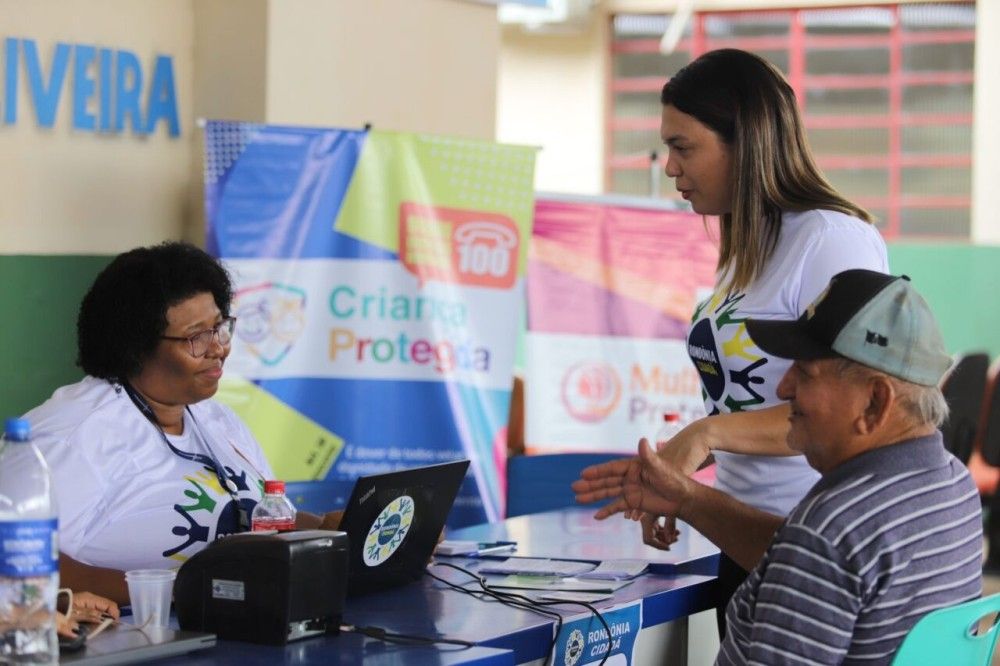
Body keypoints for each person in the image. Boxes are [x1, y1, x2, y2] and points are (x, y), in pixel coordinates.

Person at [575, 269, 983, 664]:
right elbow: (816, 561)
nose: (784, 389)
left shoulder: (831, 531)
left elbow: (821, 552)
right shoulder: (952, 486)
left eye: (804, 373)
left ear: (875, 402)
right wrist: (687, 499)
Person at [638, 48, 889, 630]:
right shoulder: (747, 246)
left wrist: (704, 436)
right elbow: (743, 401)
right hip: (745, 534)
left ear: (744, 143)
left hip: (811, 543)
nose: (670, 167)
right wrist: (682, 488)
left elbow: (854, 411)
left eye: (683, 147)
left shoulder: (831, 239)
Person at [24, 242, 342, 605]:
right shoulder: (74, 436)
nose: (218, 348)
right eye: (196, 337)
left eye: (220, 327)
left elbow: (255, 515)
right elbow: (17, 555)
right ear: (136, 346)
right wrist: (180, 590)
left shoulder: (219, 421)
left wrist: (324, 532)